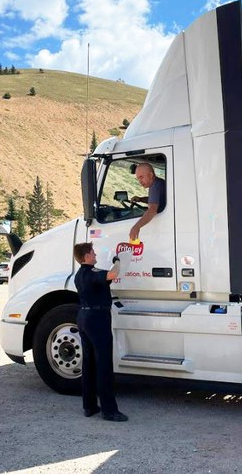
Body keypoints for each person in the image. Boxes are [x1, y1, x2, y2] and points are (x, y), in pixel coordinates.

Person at [73, 242, 128, 422]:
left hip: (83, 317)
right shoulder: (93, 273)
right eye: (93, 252)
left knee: (88, 363)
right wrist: (118, 260)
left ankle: (89, 406)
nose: (95, 254)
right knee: (104, 364)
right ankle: (109, 410)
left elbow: (105, 279)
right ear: (87, 256)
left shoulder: (79, 275)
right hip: (97, 319)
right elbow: (112, 273)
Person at [128, 162, 166, 241]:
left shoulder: (155, 186)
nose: (140, 181)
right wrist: (140, 199)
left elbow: (153, 209)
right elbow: (156, 200)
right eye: (138, 178)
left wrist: (137, 226)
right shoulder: (158, 183)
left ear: (151, 175)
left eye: (142, 177)